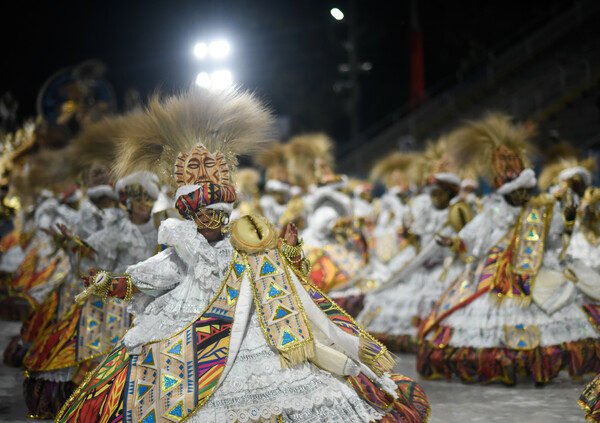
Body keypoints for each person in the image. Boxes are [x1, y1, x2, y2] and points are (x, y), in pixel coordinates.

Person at [56, 85, 430, 423]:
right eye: (207, 215)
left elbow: (292, 280)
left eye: (220, 214)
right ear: (190, 215)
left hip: (255, 333)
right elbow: (150, 276)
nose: (215, 222)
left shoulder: (245, 240)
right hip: (188, 333)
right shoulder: (181, 249)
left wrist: (292, 249)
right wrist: (110, 283)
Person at [417, 112, 600, 385]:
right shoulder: (492, 209)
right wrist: (455, 243)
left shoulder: (538, 210)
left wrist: (570, 218)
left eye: (524, 191)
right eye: (517, 191)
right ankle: (504, 366)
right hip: (494, 273)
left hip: (532, 271)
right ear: (506, 192)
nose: (522, 196)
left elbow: (554, 239)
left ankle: (534, 365)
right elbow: (472, 234)